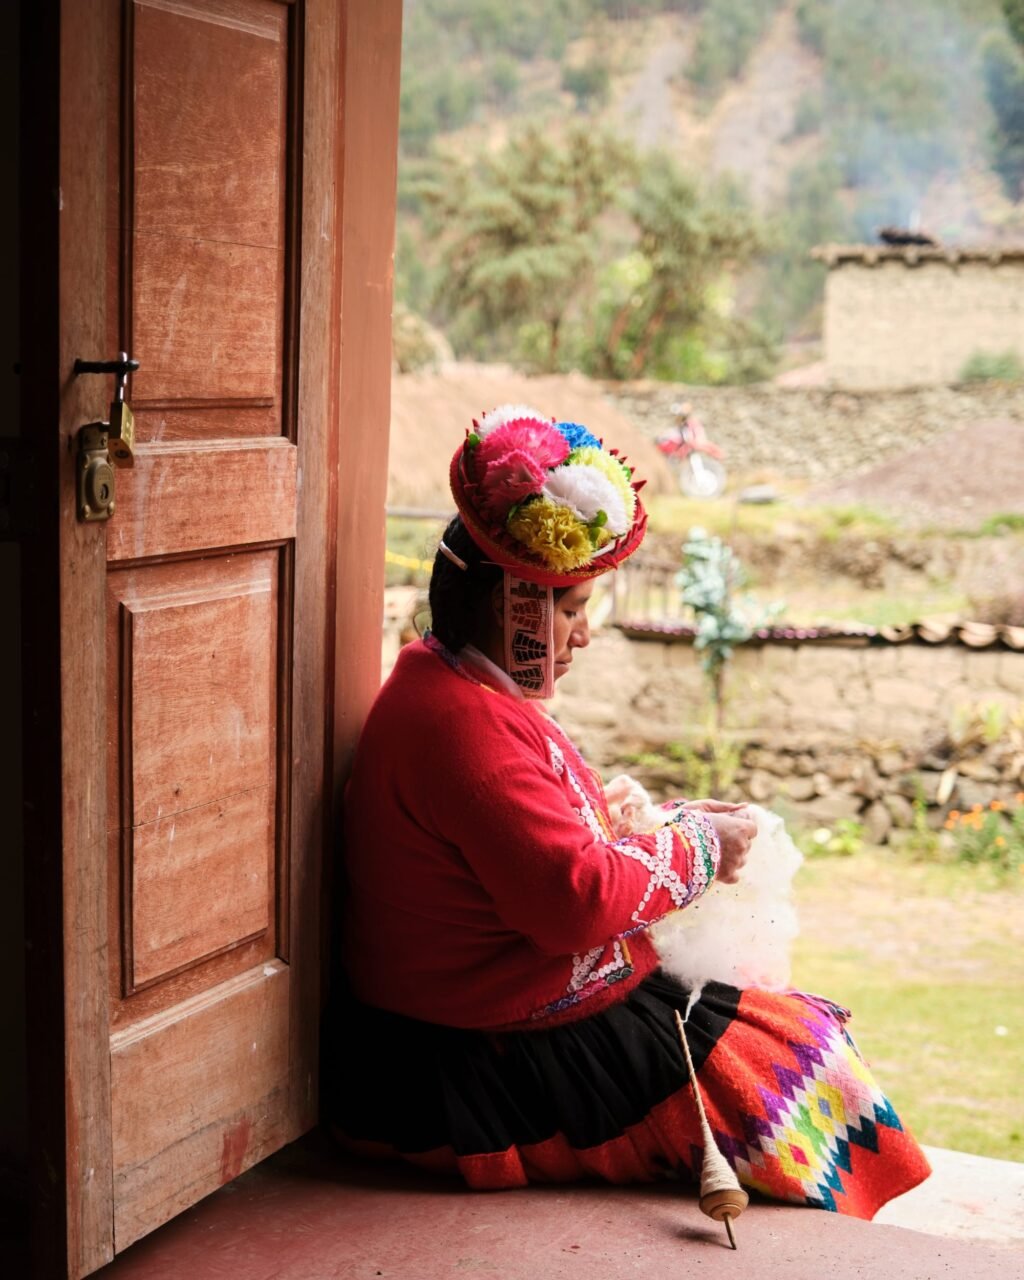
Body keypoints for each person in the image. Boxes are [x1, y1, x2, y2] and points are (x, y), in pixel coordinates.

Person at [323, 406, 930, 1218]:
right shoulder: (458, 725)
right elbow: (573, 902)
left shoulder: (449, 684)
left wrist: (655, 827)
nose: (581, 635)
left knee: (791, 1030)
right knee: (796, 1060)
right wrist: (699, 848)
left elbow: (537, 842)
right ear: (518, 608)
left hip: (490, 1014)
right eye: (570, 610)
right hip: (476, 1059)